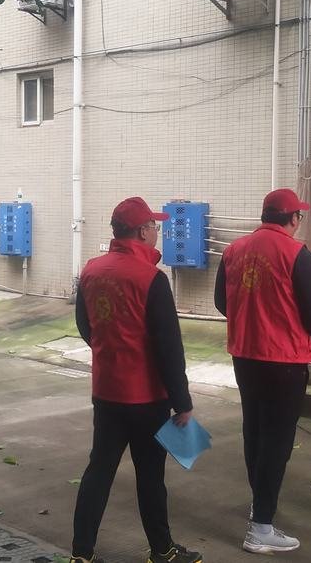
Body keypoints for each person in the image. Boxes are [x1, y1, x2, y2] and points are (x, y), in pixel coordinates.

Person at [69, 197, 202, 563]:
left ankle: (81, 553)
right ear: (143, 231)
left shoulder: (92, 271)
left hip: (107, 391)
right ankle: (162, 550)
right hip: (147, 397)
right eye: (154, 227)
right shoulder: (151, 279)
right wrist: (182, 402)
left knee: (99, 470)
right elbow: (168, 347)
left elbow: (85, 325)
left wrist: (110, 350)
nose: (157, 232)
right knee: (150, 476)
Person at [214, 188, 311, 554]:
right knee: (278, 440)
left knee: (255, 430)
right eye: (299, 217)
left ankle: (259, 504)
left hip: (245, 355)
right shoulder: (296, 254)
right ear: (293, 218)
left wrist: (251, 317)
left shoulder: (233, 250)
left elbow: (221, 301)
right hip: (284, 360)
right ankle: (261, 526)